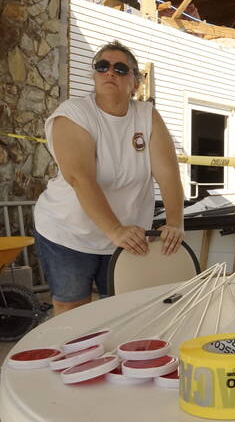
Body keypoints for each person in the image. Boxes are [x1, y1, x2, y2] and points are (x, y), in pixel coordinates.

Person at [34, 41, 185, 314]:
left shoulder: (147, 116)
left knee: (123, 308)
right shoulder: (73, 113)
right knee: (72, 307)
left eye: (120, 68)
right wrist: (114, 230)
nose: (109, 73)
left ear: (135, 83)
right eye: (102, 66)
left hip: (129, 234)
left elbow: (169, 174)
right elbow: (81, 178)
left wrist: (175, 222)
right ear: (94, 75)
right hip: (68, 231)